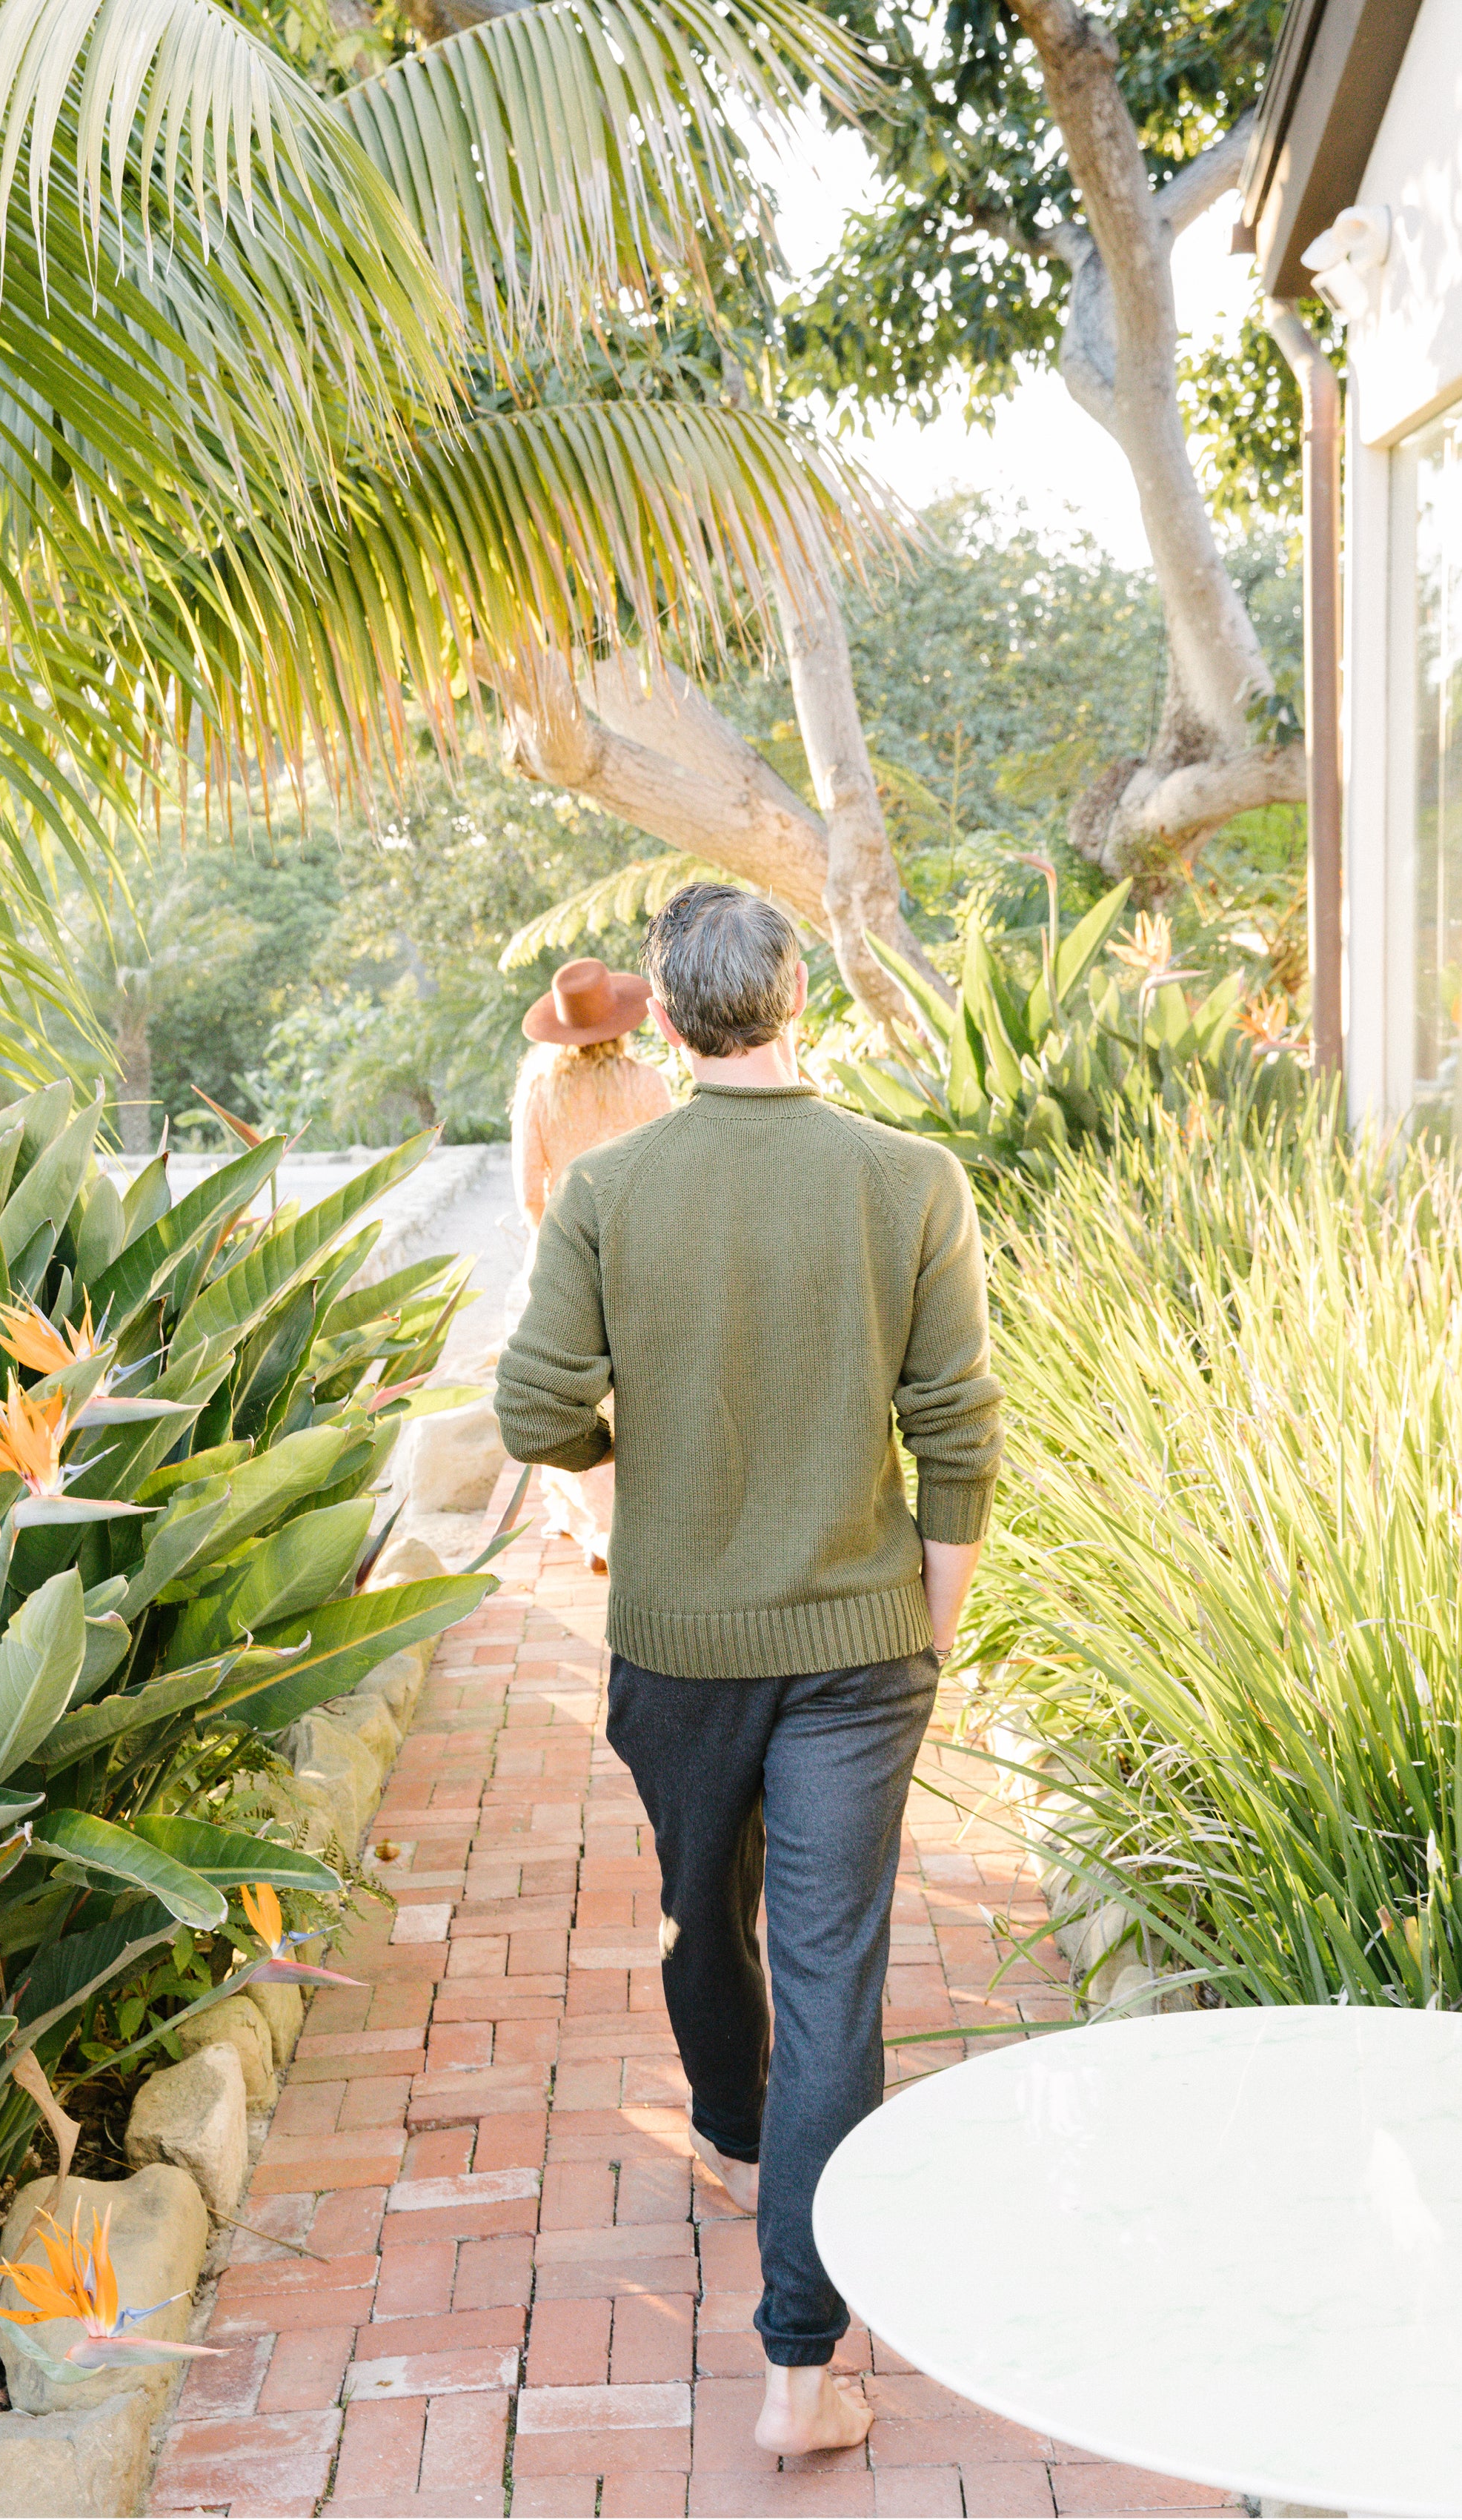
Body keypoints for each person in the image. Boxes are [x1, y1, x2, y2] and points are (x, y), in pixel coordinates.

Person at [495, 883, 1000, 2456]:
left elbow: (531, 1411)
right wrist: (928, 1624)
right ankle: (799, 2368)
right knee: (830, 1979)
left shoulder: (606, 1190)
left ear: (662, 1017)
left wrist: (629, 1457)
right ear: (799, 1000)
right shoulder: (907, 1178)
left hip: (675, 1642)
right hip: (860, 1648)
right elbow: (958, 1430)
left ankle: (730, 2134)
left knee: (695, 1904)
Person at [508, 955, 672, 1570]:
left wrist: (552, 1251)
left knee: (567, 1390)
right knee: (640, 1388)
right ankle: (642, 1518)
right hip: (643, 1251)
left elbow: (528, 1192)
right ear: (622, 1022)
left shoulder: (539, 1092)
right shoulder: (647, 1083)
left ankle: (596, 1528)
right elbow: (671, 1174)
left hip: (563, 1249)